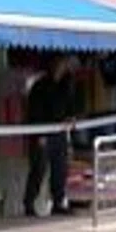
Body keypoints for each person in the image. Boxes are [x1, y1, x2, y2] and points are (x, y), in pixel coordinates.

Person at [23, 56, 80, 216]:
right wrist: (39, 134)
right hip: (43, 134)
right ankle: (29, 203)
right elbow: (34, 111)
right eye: (59, 64)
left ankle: (58, 202)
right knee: (38, 169)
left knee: (60, 168)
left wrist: (72, 117)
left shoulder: (66, 84)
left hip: (60, 132)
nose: (62, 68)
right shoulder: (40, 86)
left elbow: (70, 106)